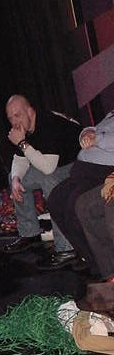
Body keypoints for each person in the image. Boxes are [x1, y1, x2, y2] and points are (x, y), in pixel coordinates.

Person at [3, 94, 81, 270]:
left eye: (17, 115)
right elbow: (20, 159)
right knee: (15, 177)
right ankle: (29, 232)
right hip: (55, 164)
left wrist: (22, 143)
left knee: (49, 180)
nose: (14, 121)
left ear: (30, 111)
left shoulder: (48, 124)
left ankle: (66, 248)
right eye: (10, 118)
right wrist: (15, 179)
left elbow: (48, 168)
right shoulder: (24, 127)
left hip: (77, 163)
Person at [47, 111, 114, 274]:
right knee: (55, 200)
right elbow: (93, 130)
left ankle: (98, 264)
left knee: (73, 206)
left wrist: (97, 139)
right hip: (82, 170)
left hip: (101, 171)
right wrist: (86, 133)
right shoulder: (111, 115)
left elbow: (101, 137)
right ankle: (86, 255)